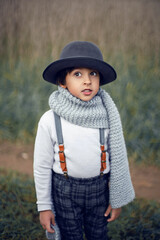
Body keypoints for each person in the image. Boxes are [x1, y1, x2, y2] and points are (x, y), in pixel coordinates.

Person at [34, 41, 135, 240]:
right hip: (65, 191)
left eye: (93, 74)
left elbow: (117, 160)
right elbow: (42, 166)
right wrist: (44, 206)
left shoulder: (107, 116)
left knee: (98, 234)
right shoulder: (50, 120)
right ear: (62, 82)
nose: (87, 81)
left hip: (99, 190)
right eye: (77, 74)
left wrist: (116, 199)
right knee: (70, 235)